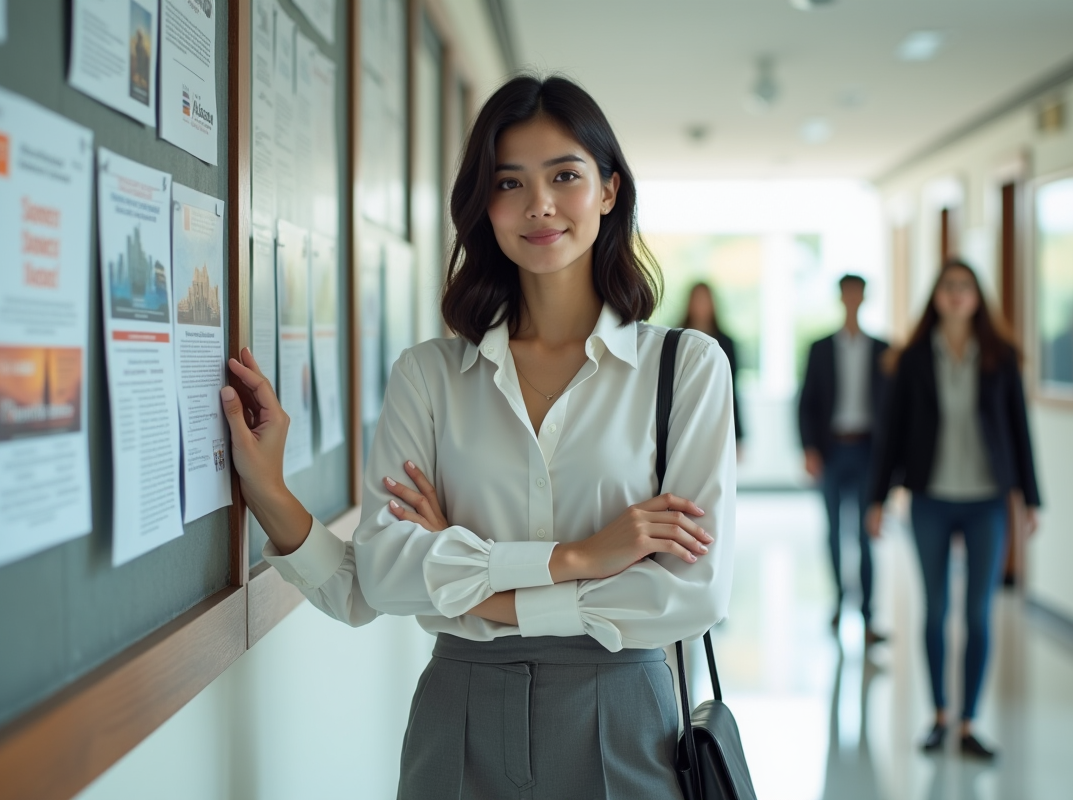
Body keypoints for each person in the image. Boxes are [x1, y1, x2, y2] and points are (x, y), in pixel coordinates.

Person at [219, 75, 736, 798]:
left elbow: (690, 596)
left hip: (623, 716)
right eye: (509, 182)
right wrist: (580, 557)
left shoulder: (684, 370)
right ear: (483, 205)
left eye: (565, 175)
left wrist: (472, 588)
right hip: (458, 720)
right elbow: (382, 580)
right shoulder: (430, 376)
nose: (540, 205)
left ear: (610, 190)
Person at [866, 258, 1041, 760]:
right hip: (930, 499)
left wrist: (1031, 498)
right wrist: (877, 499)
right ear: (937, 297)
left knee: (979, 613)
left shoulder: (1000, 356)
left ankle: (969, 723)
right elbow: (891, 435)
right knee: (937, 610)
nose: (958, 295)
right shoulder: (913, 358)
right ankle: (940, 716)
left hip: (987, 500)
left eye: (966, 287)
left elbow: (1019, 431)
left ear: (978, 297)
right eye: (949, 287)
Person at [798, 274, 889, 643]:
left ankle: (868, 616)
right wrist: (808, 449)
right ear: (840, 298)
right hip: (832, 450)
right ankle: (839, 603)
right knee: (834, 532)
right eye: (847, 293)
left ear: (865, 297)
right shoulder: (820, 348)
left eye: (858, 293)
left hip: (869, 451)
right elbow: (805, 403)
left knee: (867, 534)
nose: (852, 299)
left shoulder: (883, 350)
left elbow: (893, 410)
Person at [683, 281, 744, 446]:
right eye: (697, 300)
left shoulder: (727, 344)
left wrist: (737, 434)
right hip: (683, 418)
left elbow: (731, 391)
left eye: (705, 300)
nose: (701, 306)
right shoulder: (677, 340)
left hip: (717, 420)